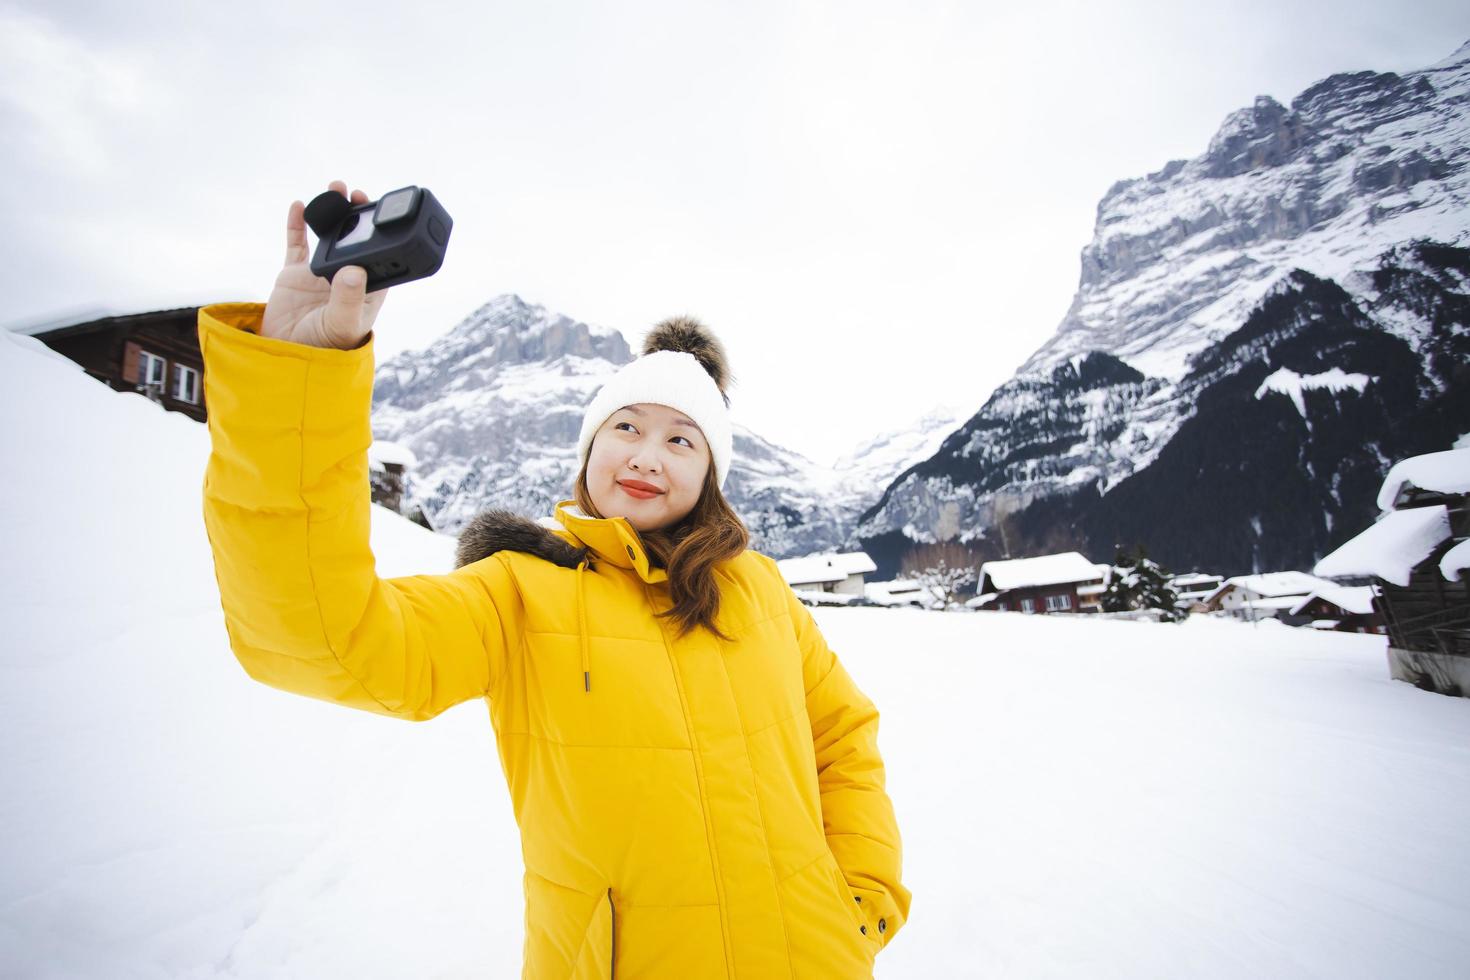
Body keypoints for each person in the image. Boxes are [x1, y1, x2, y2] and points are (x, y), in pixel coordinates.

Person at [198, 180, 912, 978]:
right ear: (589, 451)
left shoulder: (762, 591)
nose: (647, 454)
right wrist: (298, 378)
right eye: (628, 427)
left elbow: (843, 741)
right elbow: (324, 641)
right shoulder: (518, 592)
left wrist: (857, 900)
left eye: (683, 441)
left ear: (712, 473)